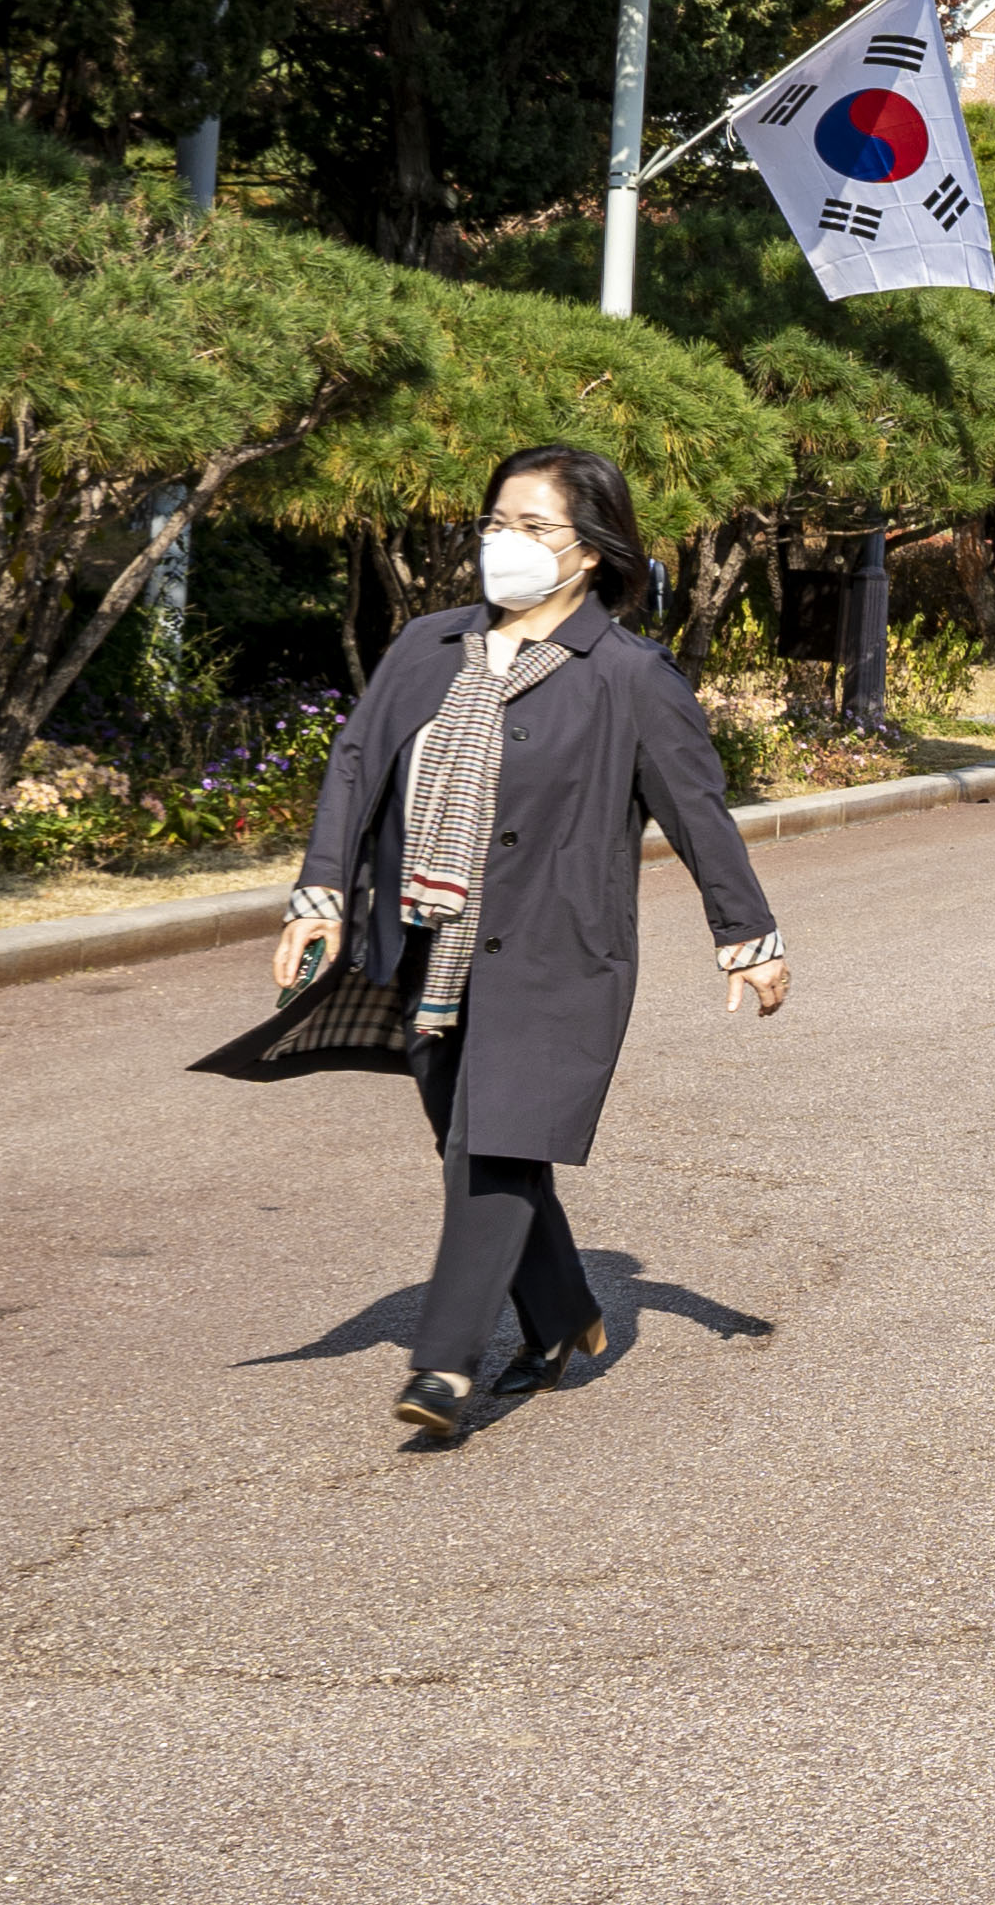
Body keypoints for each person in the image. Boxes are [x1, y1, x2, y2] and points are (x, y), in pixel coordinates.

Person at [275, 447, 788, 1445]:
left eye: (533, 526)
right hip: (425, 943)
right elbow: (356, 765)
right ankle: (563, 1316)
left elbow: (698, 811)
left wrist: (747, 935)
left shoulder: (629, 675)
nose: (503, 542)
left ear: (590, 549)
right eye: (495, 522)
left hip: (558, 951)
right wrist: (321, 892)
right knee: (473, 1139)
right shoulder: (428, 644)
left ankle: (444, 1365)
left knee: (496, 1146)